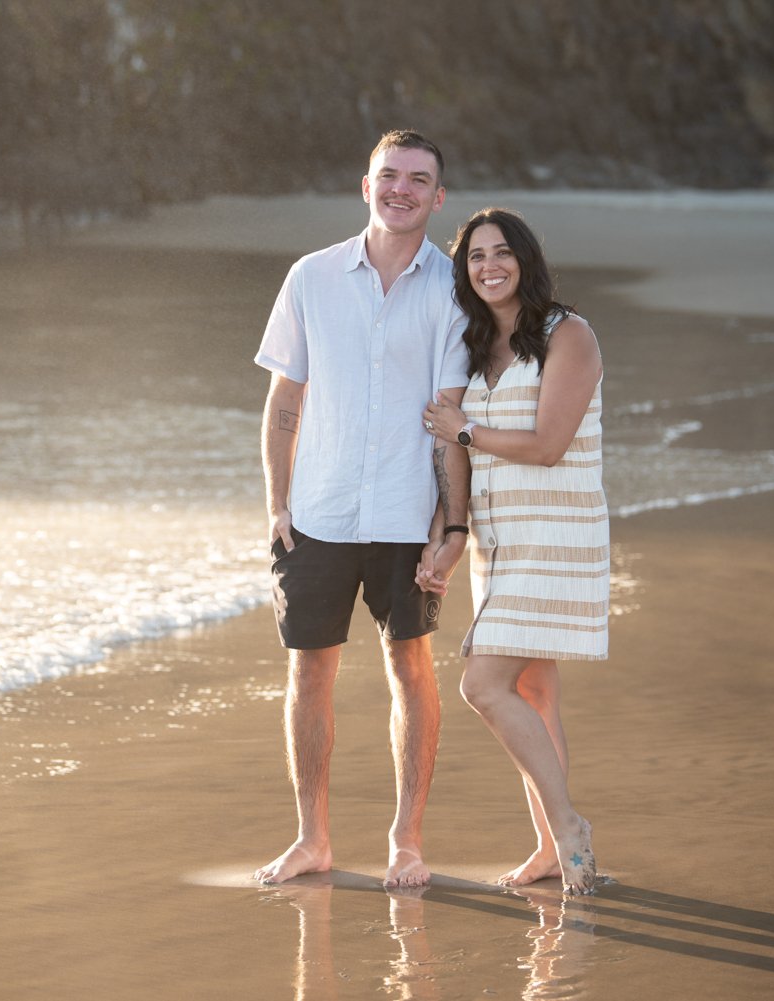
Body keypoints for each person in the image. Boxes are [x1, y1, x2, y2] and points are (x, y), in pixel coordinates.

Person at [253, 130, 471, 888]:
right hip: (317, 514)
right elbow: (285, 398)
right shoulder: (311, 278)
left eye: (418, 179)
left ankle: (406, 839)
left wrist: (451, 529)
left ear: (438, 198)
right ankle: (313, 837)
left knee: (411, 667)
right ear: (366, 184)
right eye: (389, 175)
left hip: (408, 516)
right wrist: (277, 500)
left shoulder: (452, 290)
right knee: (309, 672)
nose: (401, 189)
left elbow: (449, 419)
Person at [420, 207, 604, 896]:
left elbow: (549, 446)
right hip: (499, 541)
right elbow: (455, 449)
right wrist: (454, 533)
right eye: (474, 257)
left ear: (525, 259)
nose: (489, 265)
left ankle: (569, 828)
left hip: (557, 536)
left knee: (482, 683)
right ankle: (552, 849)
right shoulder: (471, 344)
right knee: (534, 692)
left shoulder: (569, 334)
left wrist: (465, 428)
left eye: (502, 252)